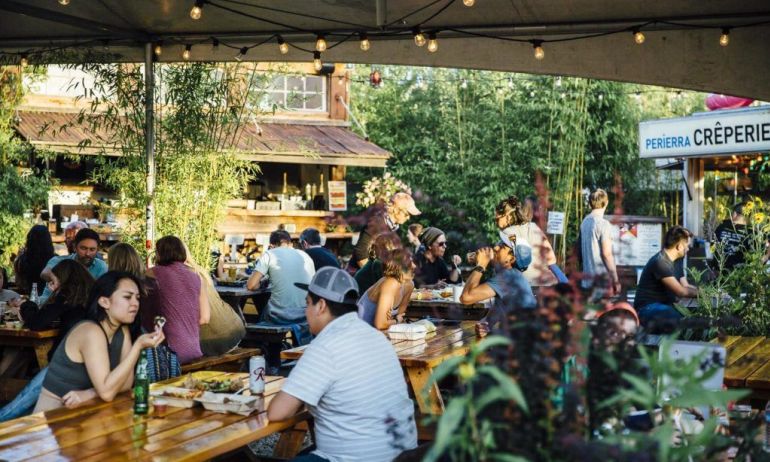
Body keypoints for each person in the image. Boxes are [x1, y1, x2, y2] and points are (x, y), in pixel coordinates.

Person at [268, 267, 417, 461]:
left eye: (307, 304)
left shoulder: (325, 346)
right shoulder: (378, 337)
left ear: (321, 306)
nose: (305, 312)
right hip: (404, 455)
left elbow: (277, 412)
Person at [33, 271, 165, 412]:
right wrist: (138, 346)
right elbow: (107, 394)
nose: (135, 303)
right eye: (127, 297)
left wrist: (90, 393)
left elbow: (125, 384)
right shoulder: (90, 332)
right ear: (104, 302)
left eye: (137, 298)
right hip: (52, 419)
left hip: (85, 414)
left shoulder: (122, 331)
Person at [142, 236, 209, 364]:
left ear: (159, 253)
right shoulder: (196, 277)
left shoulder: (153, 273)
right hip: (194, 350)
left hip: (170, 353)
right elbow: (205, 318)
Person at [633, 226, 699, 328]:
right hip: (648, 309)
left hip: (664, 306)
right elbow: (681, 291)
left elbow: (686, 286)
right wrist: (702, 294)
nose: (688, 249)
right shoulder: (660, 262)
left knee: (694, 315)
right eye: (687, 245)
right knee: (675, 318)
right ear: (679, 246)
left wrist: (709, 293)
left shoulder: (676, 261)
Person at [247, 230, 315, 326]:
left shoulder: (270, 254)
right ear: (290, 243)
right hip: (304, 315)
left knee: (259, 313)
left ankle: (263, 340)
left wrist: (260, 284)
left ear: (271, 245)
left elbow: (251, 285)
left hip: (279, 316)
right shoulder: (304, 255)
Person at [460, 234, 537, 319]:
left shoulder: (508, 277)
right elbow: (499, 306)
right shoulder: (513, 276)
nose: (495, 248)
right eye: (499, 244)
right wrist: (485, 324)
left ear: (511, 259)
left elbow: (466, 297)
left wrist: (481, 265)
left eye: (502, 247)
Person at [497, 196, 568, 287]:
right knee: (554, 268)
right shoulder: (533, 228)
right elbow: (551, 259)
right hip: (543, 283)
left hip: (520, 285)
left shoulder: (507, 232)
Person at [185, 250, 246, 356]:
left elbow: (204, 318)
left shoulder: (180, 275)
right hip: (236, 330)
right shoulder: (199, 270)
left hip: (212, 341)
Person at [349, 192, 421, 272]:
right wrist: (375, 276)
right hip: (360, 275)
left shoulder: (395, 227)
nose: (408, 218)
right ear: (394, 209)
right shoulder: (376, 223)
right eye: (406, 214)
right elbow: (360, 253)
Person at [39, 228, 108, 305]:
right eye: (83, 248)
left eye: (92, 249)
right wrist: (55, 279)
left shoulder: (101, 267)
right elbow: (44, 273)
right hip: (48, 304)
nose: (88, 253)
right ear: (75, 247)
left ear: (97, 249)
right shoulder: (59, 261)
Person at [357, 248, 414, 330]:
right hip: (359, 332)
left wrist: (394, 320)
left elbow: (401, 316)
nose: (414, 266)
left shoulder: (409, 285)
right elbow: (380, 324)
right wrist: (396, 320)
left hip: (375, 333)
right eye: (410, 264)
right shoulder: (390, 283)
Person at [579, 189, 621, 294]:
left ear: (590, 203)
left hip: (586, 280)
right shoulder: (603, 224)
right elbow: (606, 254)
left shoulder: (584, 222)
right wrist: (615, 280)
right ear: (606, 203)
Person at [13, 224, 55, 297]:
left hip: (29, 297)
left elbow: (19, 283)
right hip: (49, 298)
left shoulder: (22, 259)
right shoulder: (55, 259)